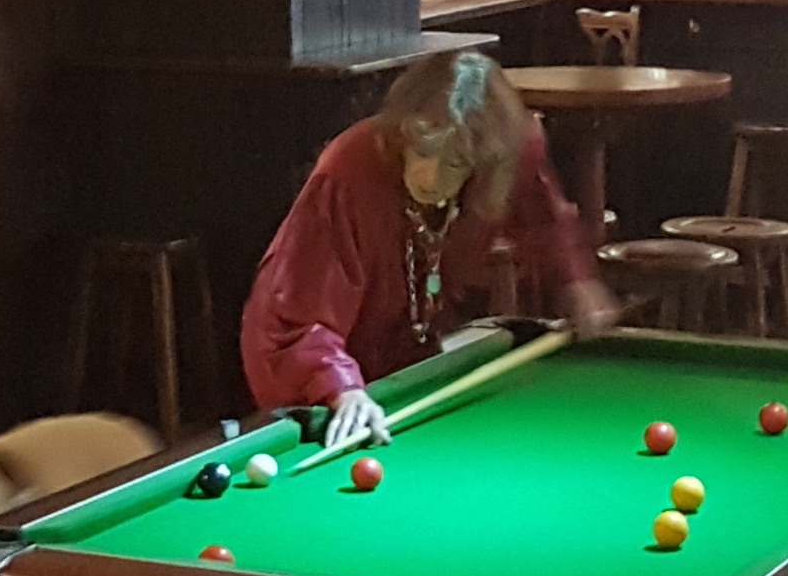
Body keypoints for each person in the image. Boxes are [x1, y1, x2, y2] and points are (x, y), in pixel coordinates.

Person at [243, 49, 618, 451]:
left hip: (405, 346)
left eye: (454, 162)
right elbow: (299, 318)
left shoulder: (511, 150)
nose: (429, 177)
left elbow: (544, 219)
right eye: (422, 150)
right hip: (303, 357)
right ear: (402, 133)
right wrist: (340, 389)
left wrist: (575, 282)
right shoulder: (348, 172)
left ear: (483, 163)